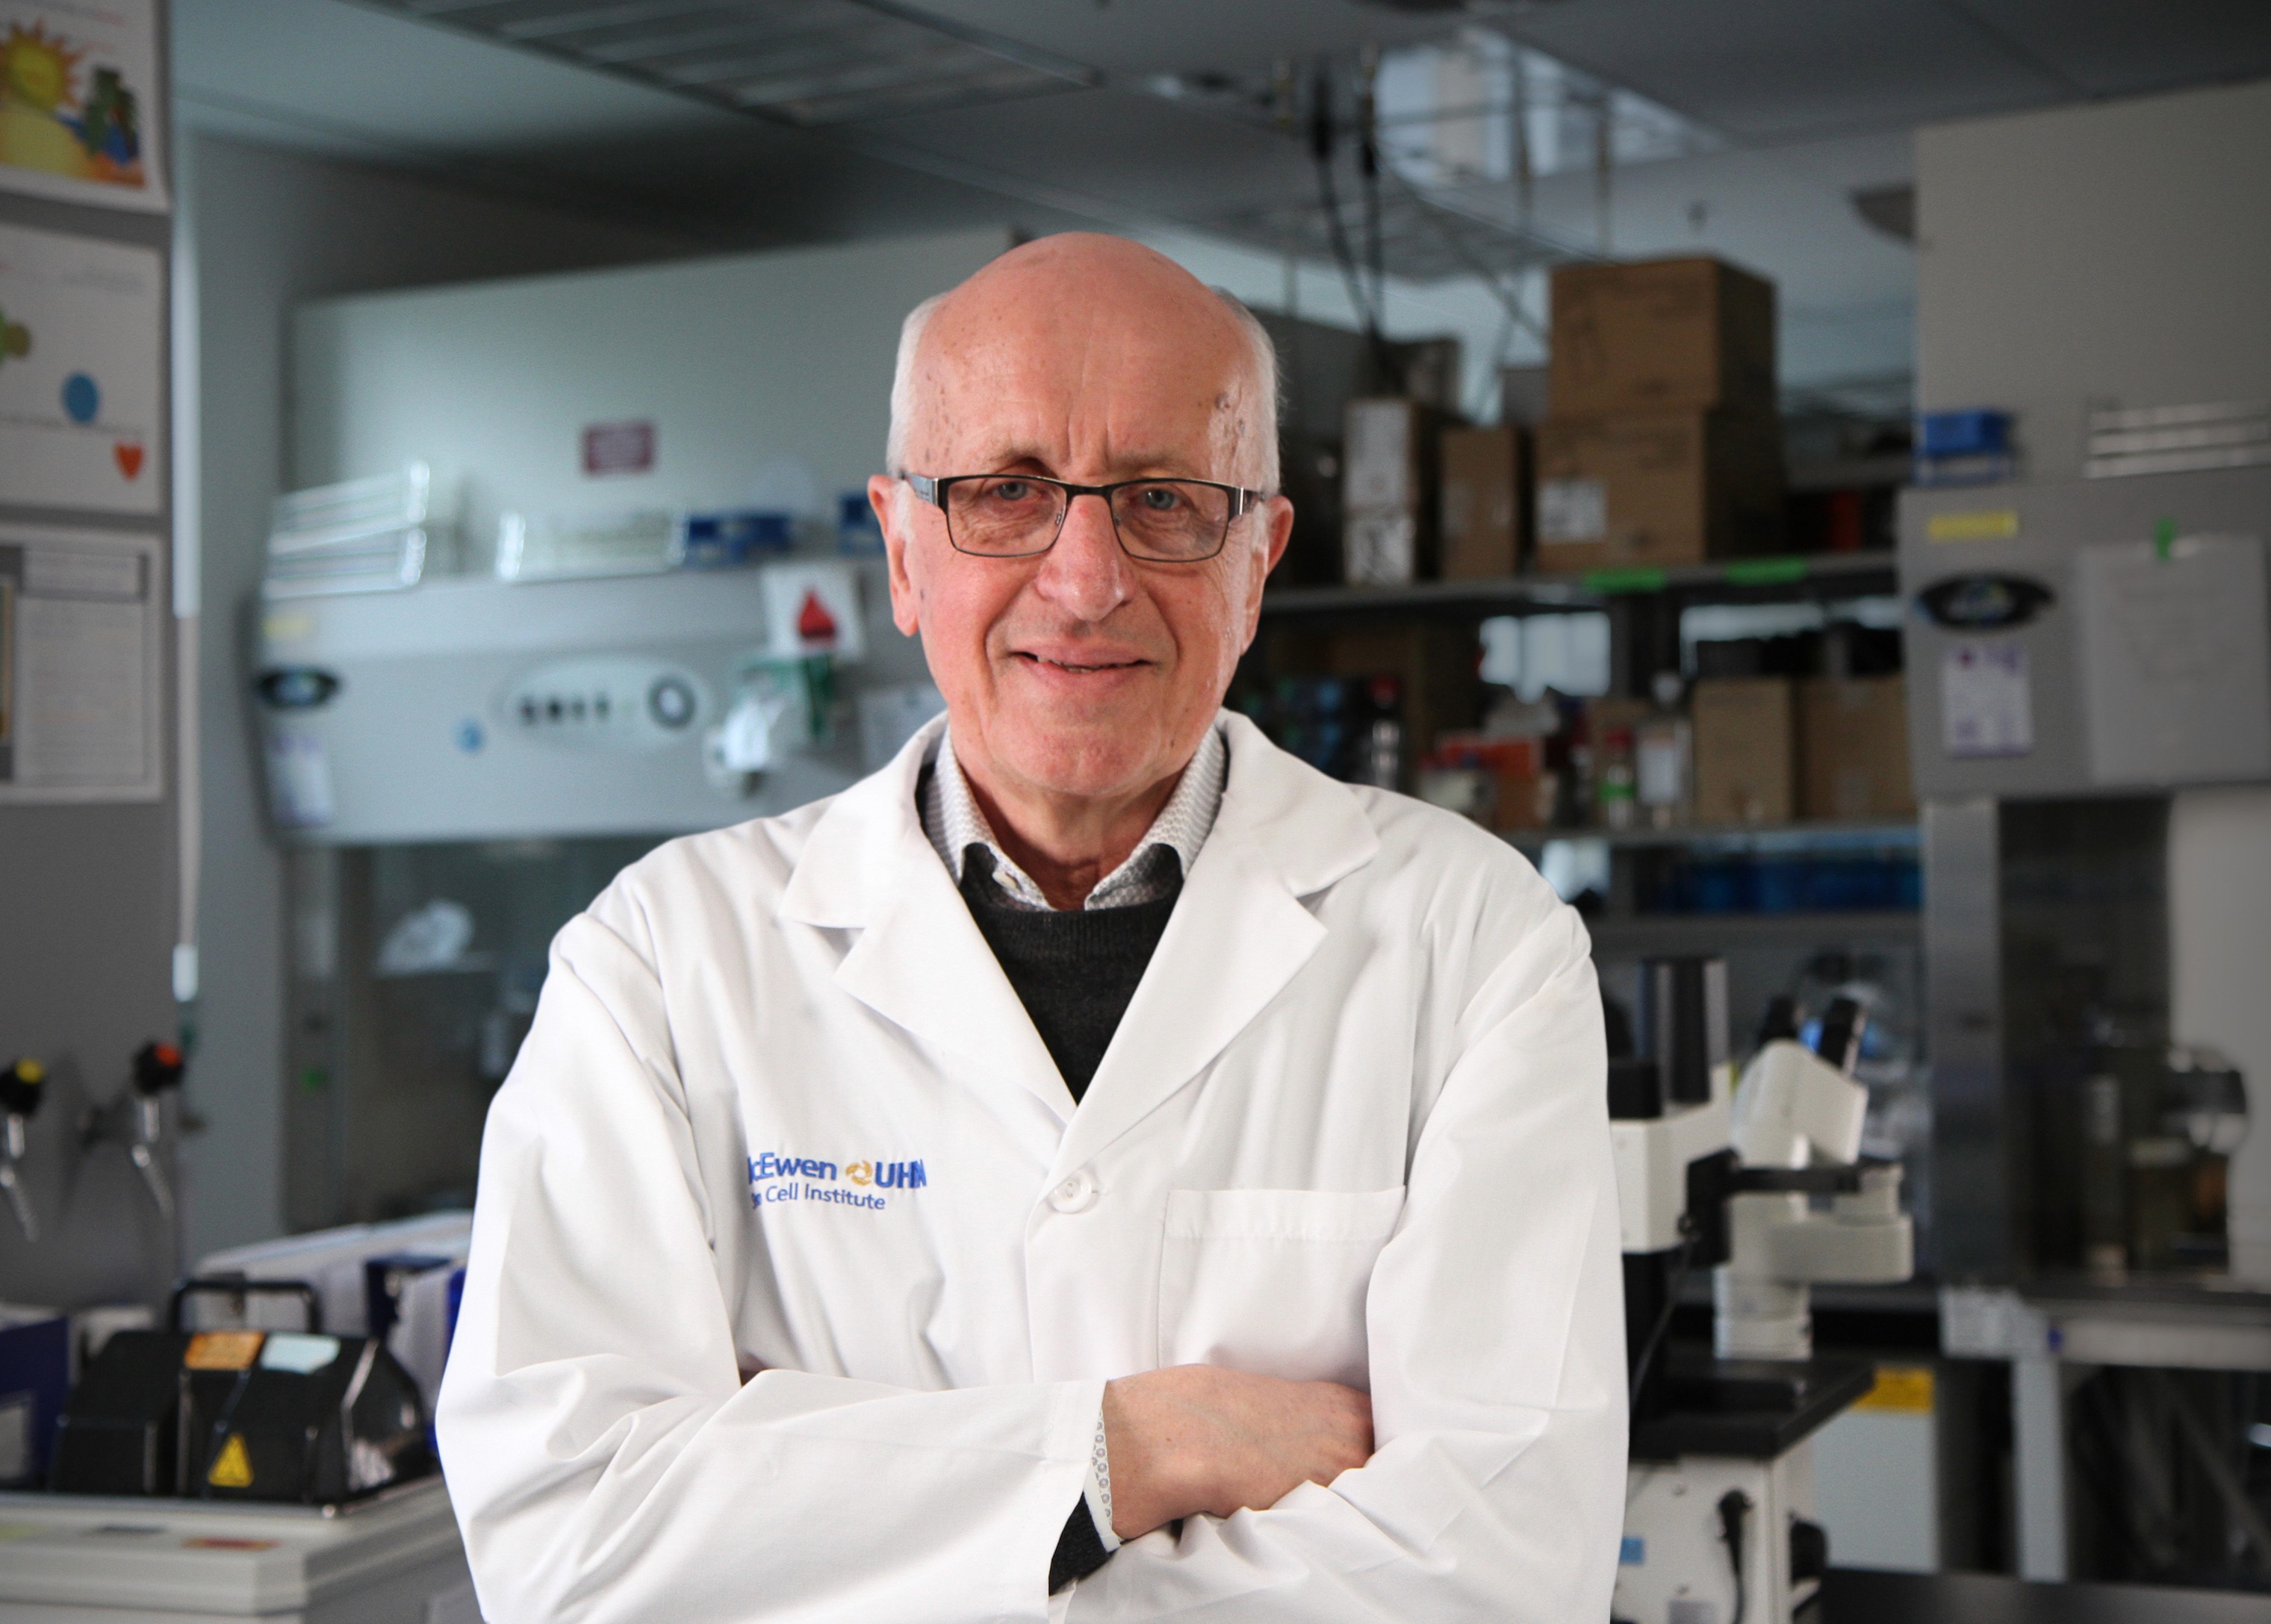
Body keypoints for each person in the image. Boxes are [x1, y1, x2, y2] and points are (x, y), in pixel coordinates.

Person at [436, 233, 1624, 1623]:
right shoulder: (660, 962)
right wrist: (1141, 1450)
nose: (1083, 579)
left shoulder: (1472, 946)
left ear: (1258, 557)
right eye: (1004, 493)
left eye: (1164, 500)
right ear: (899, 546)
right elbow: (568, 1540)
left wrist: (825, 1502)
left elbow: (1495, 1570)